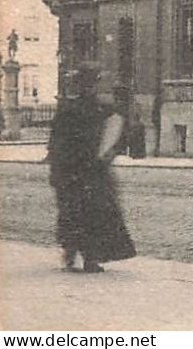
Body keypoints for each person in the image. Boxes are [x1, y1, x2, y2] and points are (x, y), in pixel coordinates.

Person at [47, 67, 136, 271]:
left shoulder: (67, 109)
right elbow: (116, 124)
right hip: (90, 171)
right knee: (94, 214)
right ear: (92, 85)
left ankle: (71, 255)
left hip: (69, 171)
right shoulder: (99, 108)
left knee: (71, 213)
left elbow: (55, 143)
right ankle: (90, 259)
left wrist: (56, 169)